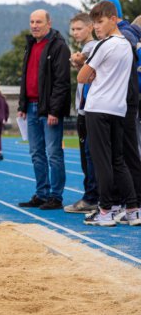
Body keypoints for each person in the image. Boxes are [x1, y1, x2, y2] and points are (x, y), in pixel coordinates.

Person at [78, 1, 139, 226]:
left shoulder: (104, 45)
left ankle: (105, 211)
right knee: (118, 160)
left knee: (102, 161)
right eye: (94, 23)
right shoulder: (127, 45)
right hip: (118, 109)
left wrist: (89, 71)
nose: (96, 27)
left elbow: (82, 77)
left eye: (100, 21)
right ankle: (132, 209)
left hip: (98, 108)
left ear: (113, 19)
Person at [17, 9, 71, 211]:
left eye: (38, 21)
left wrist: (54, 110)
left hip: (48, 109)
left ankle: (56, 196)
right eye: (31, 21)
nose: (34, 25)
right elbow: (25, 77)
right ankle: (41, 194)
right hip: (30, 107)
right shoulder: (30, 45)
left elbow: (61, 82)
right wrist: (22, 105)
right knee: (36, 153)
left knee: (53, 153)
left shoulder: (58, 46)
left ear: (49, 23)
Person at [64, 13, 99, 213]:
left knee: (89, 156)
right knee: (88, 156)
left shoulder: (92, 48)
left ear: (90, 28)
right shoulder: (86, 49)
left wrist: (79, 63)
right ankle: (93, 195)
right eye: (73, 29)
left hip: (89, 110)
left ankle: (91, 197)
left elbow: (89, 76)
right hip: (84, 108)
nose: (75, 33)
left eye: (79, 29)